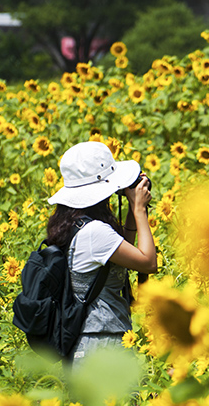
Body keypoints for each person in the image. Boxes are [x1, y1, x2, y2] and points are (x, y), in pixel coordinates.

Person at [45, 141, 157, 368]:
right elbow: (147, 262)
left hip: (88, 344)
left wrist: (131, 218)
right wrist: (138, 210)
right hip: (102, 345)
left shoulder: (77, 226)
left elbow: (121, 257)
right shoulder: (95, 233)